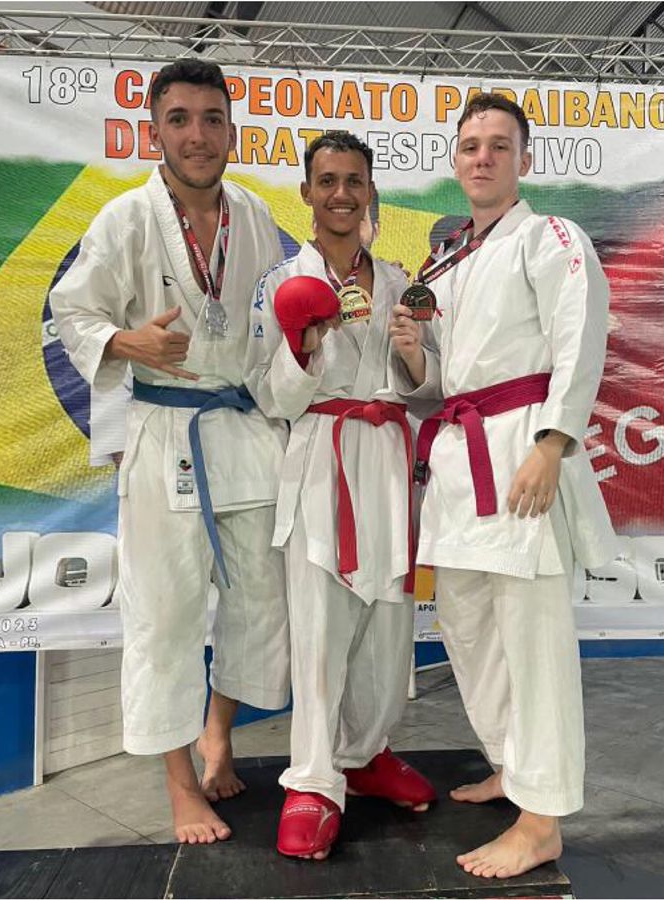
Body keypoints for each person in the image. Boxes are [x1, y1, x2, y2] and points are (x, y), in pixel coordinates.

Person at [46, 57, 290, 844]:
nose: (197, 134)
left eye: (212, 118)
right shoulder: (124, 219)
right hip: (163, 434)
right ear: (154, 131)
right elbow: (72, 310)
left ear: (232, 128)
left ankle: (221, 733)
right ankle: (181, 781)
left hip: (244, 429)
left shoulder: (253, 214)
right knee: (166, 612)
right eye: (179, 120)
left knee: (261, 600)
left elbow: (271, 318)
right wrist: (125, 339)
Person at [389, 93, 614, 879]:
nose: (481, 156)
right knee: (469, 626)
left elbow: (581, 337)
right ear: (455, 161)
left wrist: (553, 443)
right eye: (470, 145)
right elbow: (440, 380)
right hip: (457, 460)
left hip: (520, 449)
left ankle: (543, 817)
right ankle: (514, 768)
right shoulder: (449, 259)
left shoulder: (551, 238)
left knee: (531, 636)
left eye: (498, 145)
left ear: (525, 159)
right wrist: (415, 350)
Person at [244, 132, 432, 860]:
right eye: (328, 181)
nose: (342, 194)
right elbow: (272, 396)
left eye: (354, 180)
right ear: (307, 193)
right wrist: (301, 343)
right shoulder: (277, 284)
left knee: (387, 631)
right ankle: (315, 782)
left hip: (384, 458)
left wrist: (414, 357)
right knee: (321, 633)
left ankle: (366, 752)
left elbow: (425, 387)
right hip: (322, 460)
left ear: (370, 189)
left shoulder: (398, 279)